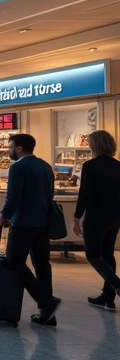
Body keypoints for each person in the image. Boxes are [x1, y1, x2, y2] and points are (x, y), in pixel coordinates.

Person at [0, 133, 61, 325]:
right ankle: (47, 314)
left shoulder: (17, 167)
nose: (9, 151)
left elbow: (13, 197)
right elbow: (49, 193)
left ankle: (46, 301)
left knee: (14, 261)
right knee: (42, 264)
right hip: (43, 222)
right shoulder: (45, 166)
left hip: (23, 223)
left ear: (19, 148)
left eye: (10, 147)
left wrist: (5, 215)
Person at [73, 130, 120, 311]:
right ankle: (108, 297)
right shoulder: (118, 166)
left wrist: (77, 217)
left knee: (92, 254)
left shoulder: (90, 166)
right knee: (108, 254)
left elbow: (85, 194)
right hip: (115, 217)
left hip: (96, 216)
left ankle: (116, 284)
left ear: (95, 145)